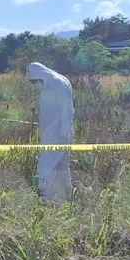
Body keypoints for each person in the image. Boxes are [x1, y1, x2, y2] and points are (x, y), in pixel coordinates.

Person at [27, 62, 74, 204]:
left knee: (46, 167)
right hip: (51, 132)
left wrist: (63, 132)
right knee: (61, 169)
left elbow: (66, 107)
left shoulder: (58, 83)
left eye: (36, 81)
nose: (36, 84)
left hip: (58, 133)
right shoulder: (48, 83)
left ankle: (50, 200)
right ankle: (67, 199)